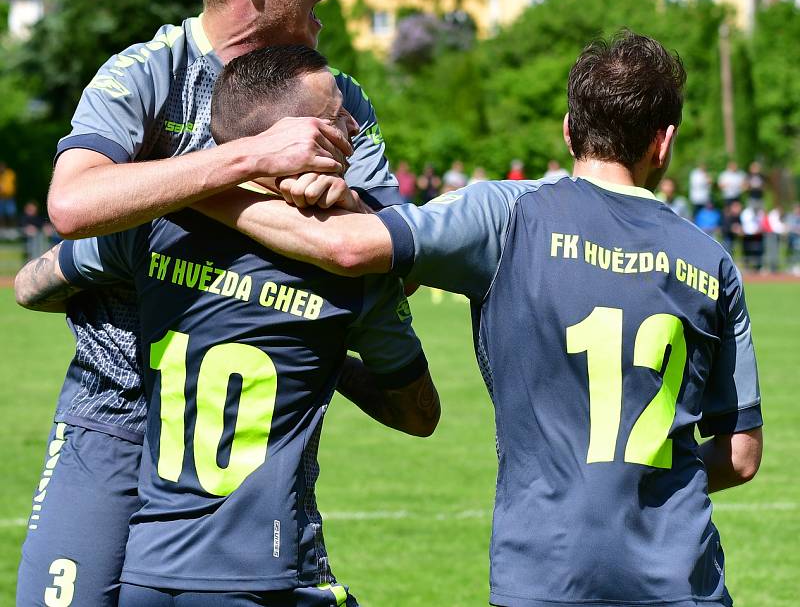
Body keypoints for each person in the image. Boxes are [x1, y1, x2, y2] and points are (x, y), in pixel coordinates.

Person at [197, 32, 763, 607]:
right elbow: (740, 457)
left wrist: (190, 190)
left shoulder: (508, 214)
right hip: (683, 580)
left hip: (546, 575)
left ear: (569, 129)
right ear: (664, 143)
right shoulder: (710, 262)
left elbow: (350, 247)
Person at [17, 0, 403, 607]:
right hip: (112, 411)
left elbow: (383, 247)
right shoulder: (146, 72)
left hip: (247, 435)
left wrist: (172, 195)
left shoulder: (339, 95)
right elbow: (73, 202)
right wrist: (257, 159)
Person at [15, 45, 440, 607]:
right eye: (336, 117)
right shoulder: (352, 272)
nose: (354, 125)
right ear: (289, 137)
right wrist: (330, 357)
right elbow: (418, 414)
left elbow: (31, 285)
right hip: (267, 574)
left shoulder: (148, 231)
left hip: (148, 571)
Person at [0, 160, 17, 227]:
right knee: (1, 214)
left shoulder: (10, 173)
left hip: (9, 197)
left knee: (11, 213)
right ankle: (2, 228)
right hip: (1, 197)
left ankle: (12, 227)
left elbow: (11, 185)